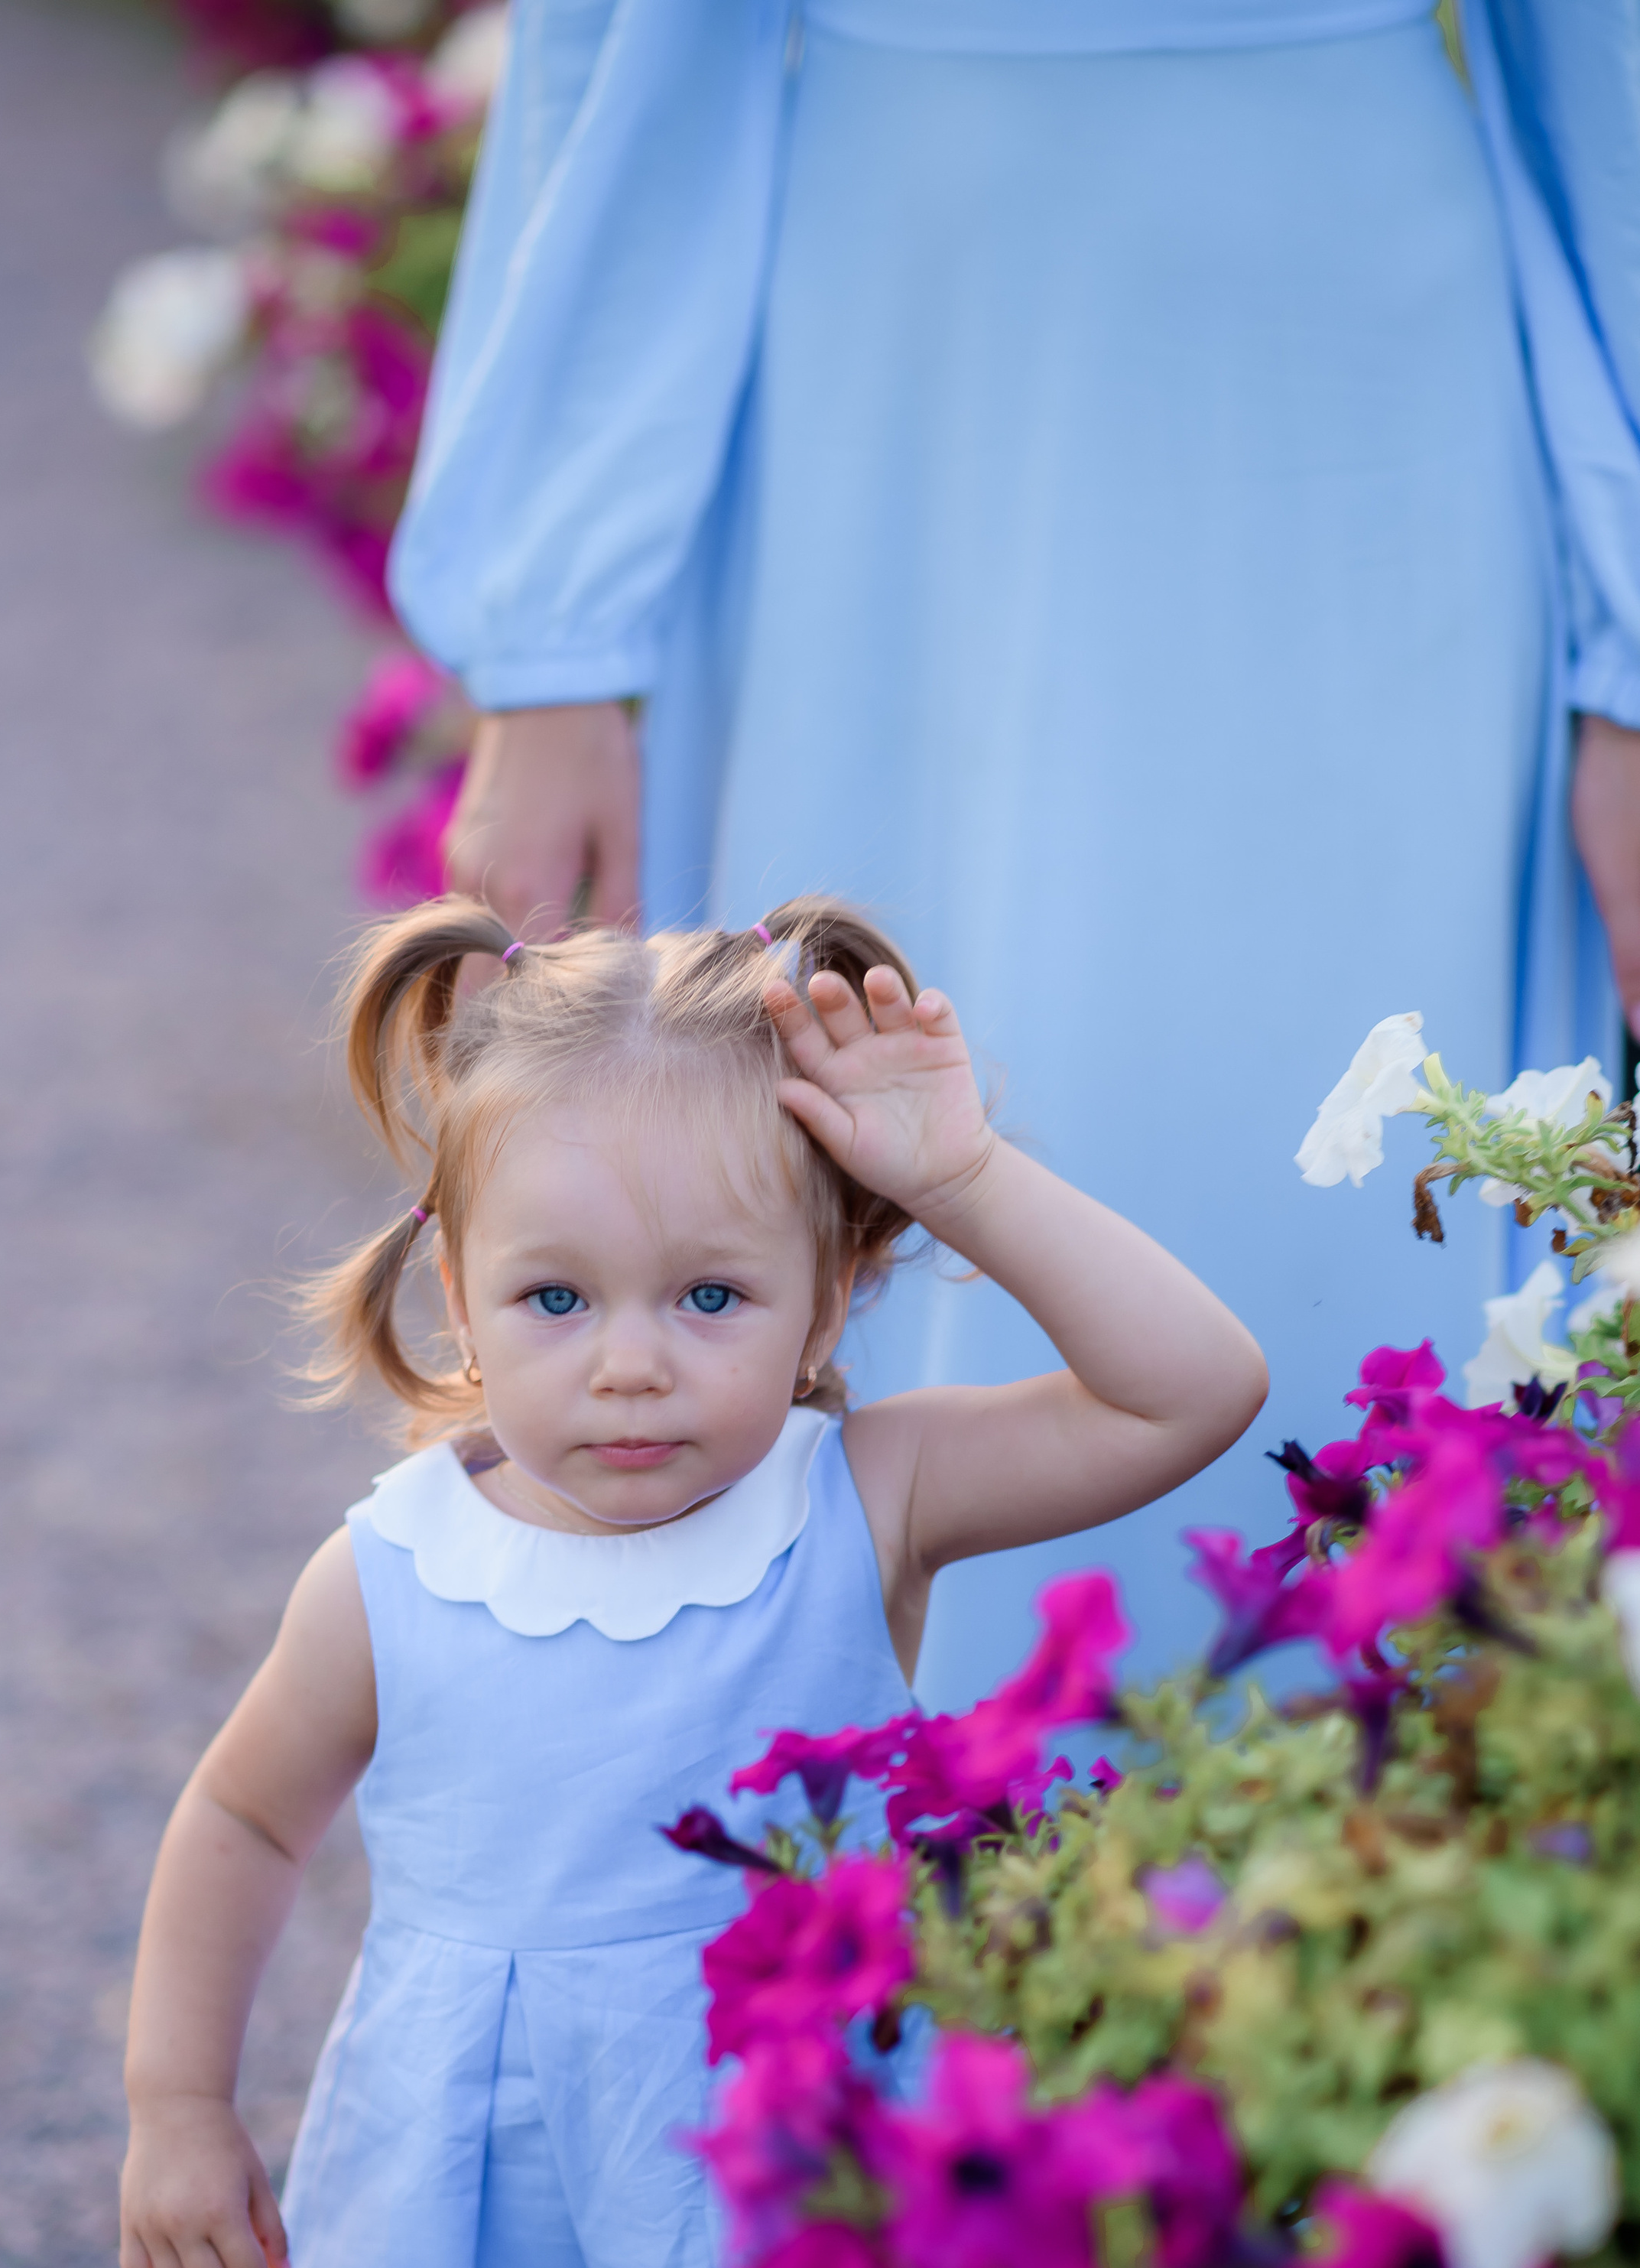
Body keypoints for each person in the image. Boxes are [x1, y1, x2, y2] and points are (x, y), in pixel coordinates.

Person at [118, 898, 1266, 2268]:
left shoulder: (860, 1499)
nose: (633, 1362)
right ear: (457, 1292)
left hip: (802, 2216)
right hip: (457, 2210)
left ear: (834, 1297)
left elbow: (1195, 1387)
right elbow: (239, 1818)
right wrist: (175, 2106)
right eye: (556, 1298)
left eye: (714, 1295)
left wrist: (964, 1175)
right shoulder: (390, 1572)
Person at [387, 0, 1640, 1711]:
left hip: (1356, 374)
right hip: (882, 371)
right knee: (841, 1147)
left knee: (1351, 1157)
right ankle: (883, 1882)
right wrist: (550, 647)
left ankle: (1374, 1893)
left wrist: (1629, 668)